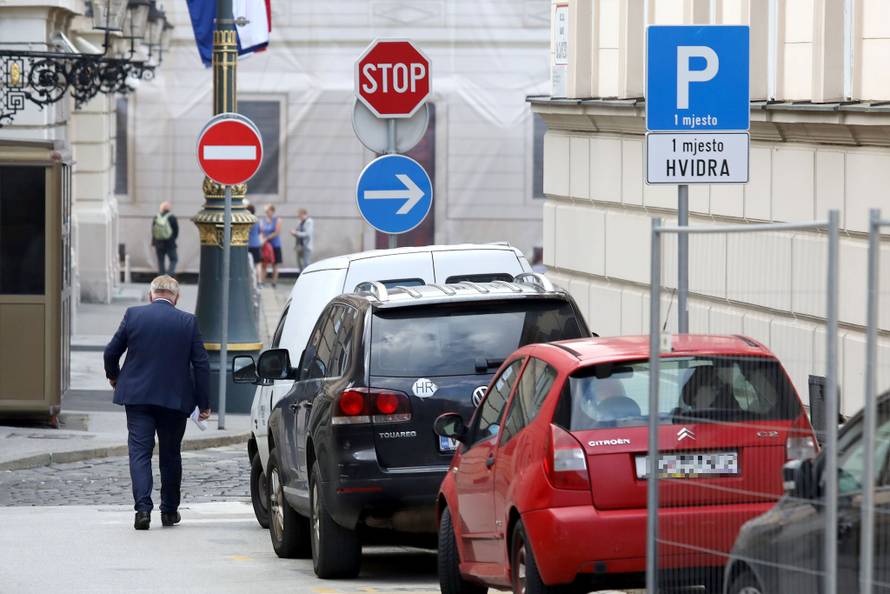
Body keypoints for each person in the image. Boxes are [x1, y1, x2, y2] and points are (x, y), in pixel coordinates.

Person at [103, 275, 211, 531]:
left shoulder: (134, 315)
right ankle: (169, 512)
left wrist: (115, 377)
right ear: (177, 297)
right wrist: (204, 403)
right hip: (174, 399)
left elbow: (111, 352)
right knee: (170, 454)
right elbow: (202, 364)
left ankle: (142, 509)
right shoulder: (188, 321)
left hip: (138, 397)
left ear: (150, 295)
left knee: (139, 452)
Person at [151, 202, 179, 276]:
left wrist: (154, 242)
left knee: (161, 261)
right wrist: (173, 238)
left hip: (158, 243)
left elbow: (153, 230)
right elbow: (176, 230)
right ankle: (170, 274)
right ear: (169, 208)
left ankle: (161, 276)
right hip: (170, 242)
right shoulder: (172, 217)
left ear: (161, 208)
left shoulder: (156, 217)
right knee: (174, 259)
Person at [261, 204, 282, 287]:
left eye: (268, 211)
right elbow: (261, 231)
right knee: (264, 264)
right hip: (266, 246)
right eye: (266, 212)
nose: (267, 213)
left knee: (275, 264)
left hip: (275, 245)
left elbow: (277, 232)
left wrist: (266, 238)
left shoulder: (277, 220)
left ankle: (274, 282)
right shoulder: (263, 221)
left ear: (272, 211)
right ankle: (262, 281)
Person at [246, 203, 265, 286]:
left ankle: (249, 281)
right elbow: (260, 232)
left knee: (247, 264)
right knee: (258, 264)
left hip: (248, 244)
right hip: (256, 244)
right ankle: (259, 282)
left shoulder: (246, 220)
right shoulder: (257, 220)